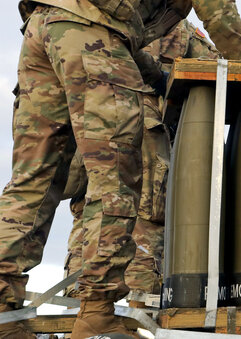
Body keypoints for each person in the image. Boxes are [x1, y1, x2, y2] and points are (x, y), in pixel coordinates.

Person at [0, 0, 241, 338]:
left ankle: (3, 307)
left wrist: (151, 72)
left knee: (34, 177)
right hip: (90, 34)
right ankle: (97, 313)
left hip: (40, 31)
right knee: (115, 175)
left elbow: (117, 22)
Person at [62, 20, 218, 304]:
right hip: (95, 208)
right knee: (80, 305)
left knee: (142, 305)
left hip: (147, 201)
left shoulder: (181, 32)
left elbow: (218, 72)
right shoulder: (96, 21)